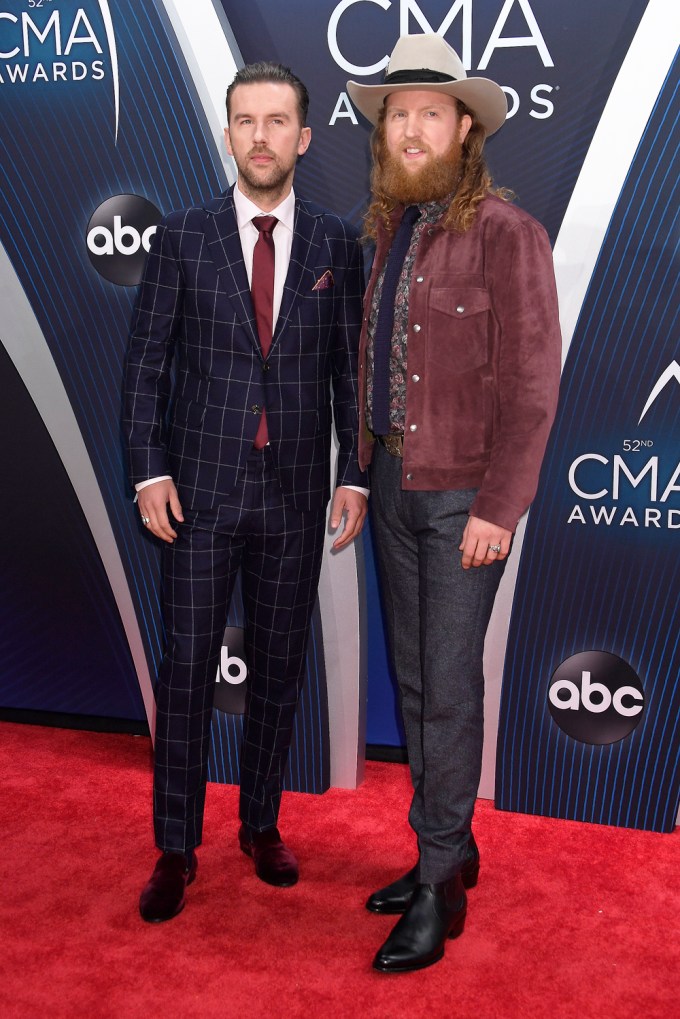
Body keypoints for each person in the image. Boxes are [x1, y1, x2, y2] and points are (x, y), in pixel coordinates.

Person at [123, 61, 367, 923]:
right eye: (244, 121)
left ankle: (260, 822)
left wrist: (356, 474)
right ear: (227, 133)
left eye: (276, 121)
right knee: (187, 668)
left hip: (297, 496)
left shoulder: (340, 243)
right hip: (198, 494)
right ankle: (175, 844)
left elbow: (352, 376)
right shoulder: (184, 237)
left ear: (303, 136)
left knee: (278, 668)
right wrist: (149, 469)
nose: (260, 136)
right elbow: (147, 365)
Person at [346, 34, 561, 972]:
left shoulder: (508, 233)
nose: (413, 126)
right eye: (399, 113)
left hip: (466, 497)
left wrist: (498, 508)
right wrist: (360, 473)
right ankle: (450, 847)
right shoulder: (390, 231)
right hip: (394, 483)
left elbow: (533, 385)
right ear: (384, 133)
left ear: (466, 126)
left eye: (431, 110)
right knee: (421, 683)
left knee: (448, 692)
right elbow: (372, 372)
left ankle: (439, 888)